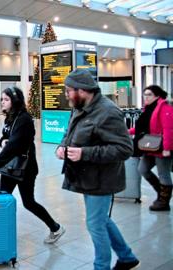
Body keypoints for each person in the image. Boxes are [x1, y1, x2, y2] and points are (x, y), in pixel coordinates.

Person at [56, 69, 139, 270]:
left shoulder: (108, 112)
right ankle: (127, 257)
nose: (66, 95)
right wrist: (62, 146)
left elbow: (125, 149)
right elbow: (70, 131)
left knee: (94, 224)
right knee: (101, 219)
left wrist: (85, 153)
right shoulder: (79, 106)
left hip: (103, 179)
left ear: (82, 90)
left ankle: (101, 266)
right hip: (86, 177)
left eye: (69, 91)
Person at [0, 87, 65, 244]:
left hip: (25, 168)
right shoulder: (10, 117)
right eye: (1, 99)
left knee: (28, 202)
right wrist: (2, 142)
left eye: (6, 99)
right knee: (2, 198)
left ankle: (55, 227)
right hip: (10, 166)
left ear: (15, 101)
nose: (2, 102)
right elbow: (6, 138)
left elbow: (15, 144)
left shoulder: (24, 119)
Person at [129, 85, 172, 211]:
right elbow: (143, 128)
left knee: (163, 174)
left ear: (157, 96)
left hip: (162, 147)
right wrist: (129, 132)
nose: (145, 97)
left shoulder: (165, 108)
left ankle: (164, 202)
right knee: (142, 169)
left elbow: (168, 129)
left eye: (149, 95)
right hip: (150, 147)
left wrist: (167, 148)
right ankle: (162, 193)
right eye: (145, 94)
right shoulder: (148, 109)